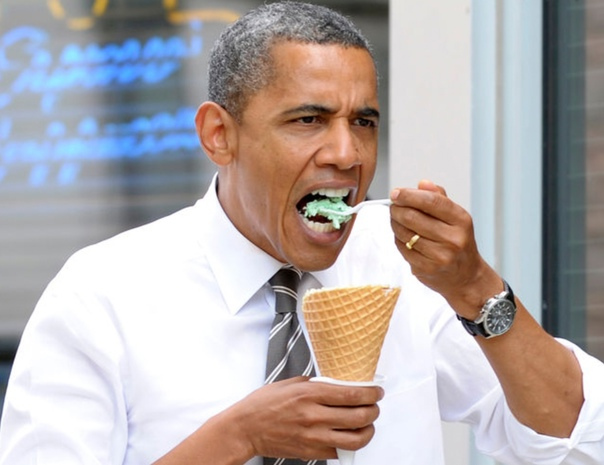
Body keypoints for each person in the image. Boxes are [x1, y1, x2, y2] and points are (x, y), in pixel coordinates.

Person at [1, 2, 603, 464]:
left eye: (363, 122)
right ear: (219, 136)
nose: (347, 153)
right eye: (309, 119)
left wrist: (474, 287)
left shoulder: (403, 270)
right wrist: (237, 437)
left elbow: (578, 443)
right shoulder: (100, 294)